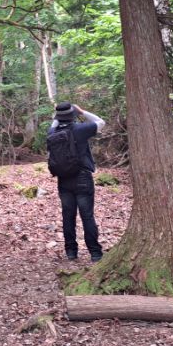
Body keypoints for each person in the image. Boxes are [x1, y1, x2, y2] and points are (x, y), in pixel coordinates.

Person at [49, 102, 105, 262]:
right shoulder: (80, 130)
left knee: (68, 216)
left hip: (63, 179)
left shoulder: (52, 132)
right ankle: (95, 253)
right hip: (82, 178)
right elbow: (101, 122)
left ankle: (71, 252)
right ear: (73, 115)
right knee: (87, 216)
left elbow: (53, 125)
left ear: (58, 117)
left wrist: (57, 115)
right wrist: (82, 111)